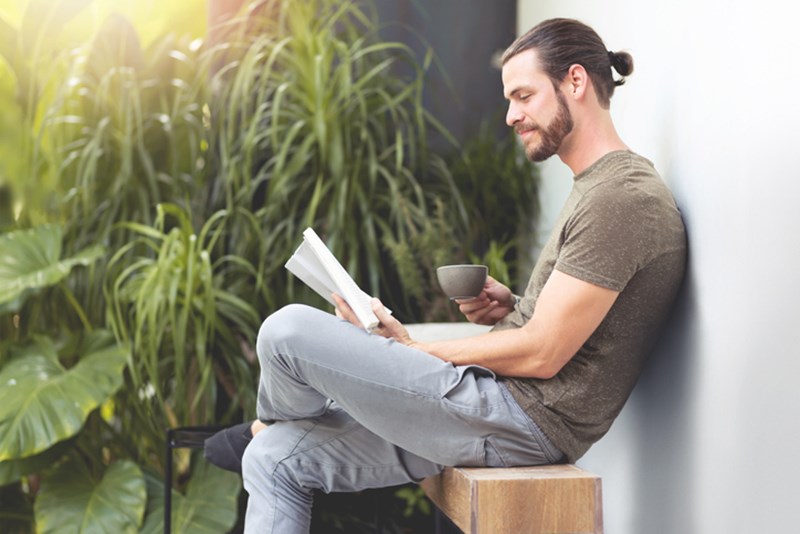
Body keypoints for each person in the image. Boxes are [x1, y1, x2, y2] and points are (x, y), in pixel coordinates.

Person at [204, 17, 687, 533]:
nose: (511, 116)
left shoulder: (621, 198)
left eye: (523, 96)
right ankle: (275, 427)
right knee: (273, 458)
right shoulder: (600, 188)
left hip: (518, 418)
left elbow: (545, 353)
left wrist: (410, 351)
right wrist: (514, 306)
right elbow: (569, 327)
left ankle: (270, 419)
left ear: (575, 81)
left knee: (285, 331)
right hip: (495, 406)